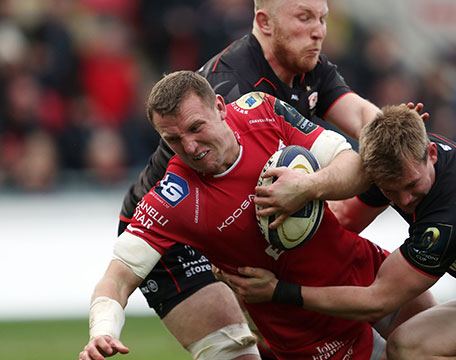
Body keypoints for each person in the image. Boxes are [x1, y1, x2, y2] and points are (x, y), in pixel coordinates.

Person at [80, 71, 434, 360]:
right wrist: (102, 331)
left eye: (195, 128)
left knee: (445, 345)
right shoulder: (172, 198)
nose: (190, 147)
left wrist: (308, 187)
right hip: (310, 333)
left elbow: (353, 166)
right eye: (172, 139)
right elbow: (118, 278)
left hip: (366, 272)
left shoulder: (260, 110)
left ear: (220, 107)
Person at [225, 105, 456, 359]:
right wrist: (265, 236)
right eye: (392, 191)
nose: (405, 201)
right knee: (409, 344)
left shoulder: (453, 214)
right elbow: (343, 223)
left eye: (412, 187)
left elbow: (377, 301)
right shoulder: (402, 153)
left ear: (432, 155)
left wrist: (280, 292)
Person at [116, 1, 383, 357]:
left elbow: (365, 118)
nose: (318, 30)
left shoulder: (307, 63)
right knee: (244, 347)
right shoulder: (236, 91)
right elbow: (245, 213)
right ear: (263, 22)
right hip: (169, 236)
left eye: (322, 19)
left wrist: (401, 143)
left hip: (241, 215)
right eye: (304, 18)